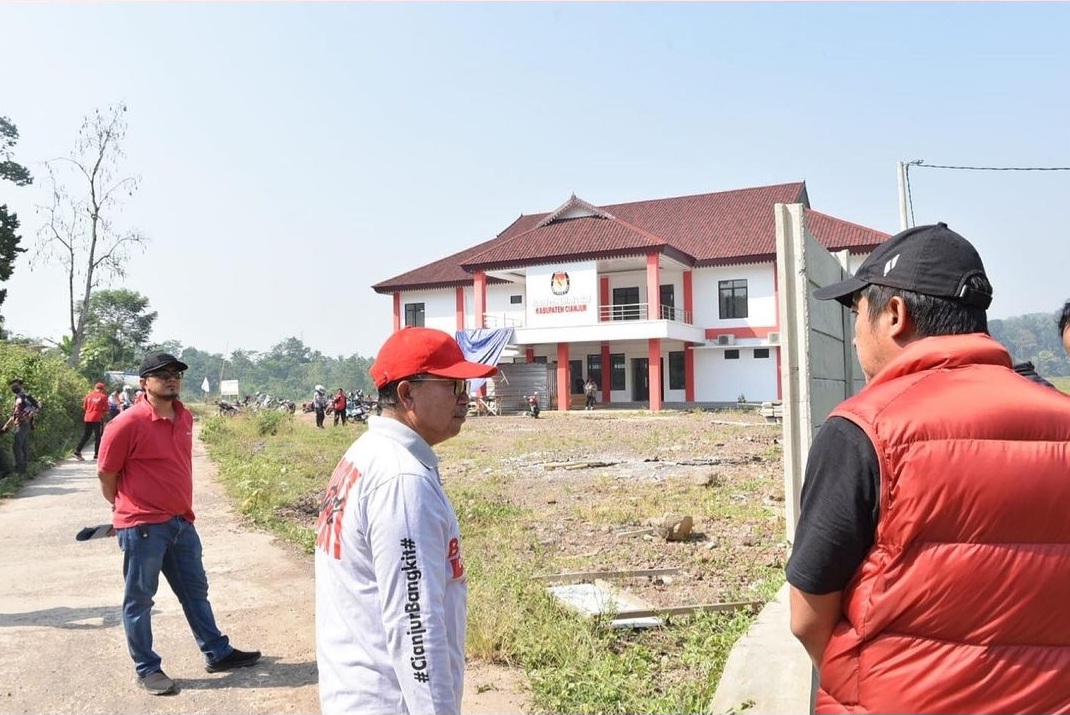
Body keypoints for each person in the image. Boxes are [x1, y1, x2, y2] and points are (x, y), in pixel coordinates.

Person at [786, 223, 1070, 712]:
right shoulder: (1061, 418)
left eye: (857, 313)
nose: (854, 336)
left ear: (894, 316)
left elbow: (808, 616)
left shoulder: (862, 428)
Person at [315, 327, 497, 715]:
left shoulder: (369, 454)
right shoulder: (401, 480)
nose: (465, 399)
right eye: (452, 386)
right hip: (389, 700)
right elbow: (414, 622)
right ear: (407, 393)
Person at [98, 352, 261, 696]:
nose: (171, 378)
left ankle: (217, 651)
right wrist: (124, 509)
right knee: (140, 600)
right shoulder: (126, 423)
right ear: (144, 382)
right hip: (143, 527)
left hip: (181, 522)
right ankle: (147, 668)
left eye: (176, 373)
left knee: (195, 591)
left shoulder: (185, 416)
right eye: (162, 374)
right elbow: (107, 474)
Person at [1, 378, 41, 474]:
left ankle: (20, 468)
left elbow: (38, 405)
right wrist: (6, 425)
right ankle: (24, 468)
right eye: (12, 387)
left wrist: (29, 415)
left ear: (20, 386)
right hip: (18, 423)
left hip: (24, 424)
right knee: (23, 446)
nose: (14, 388)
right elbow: (15, 414)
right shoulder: (18, 397)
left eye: (15, 386)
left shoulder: (24, 396)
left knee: (17, 446)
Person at [74, 382, 110, 460]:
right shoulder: (103, 397)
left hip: (87, 417)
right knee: (98, 436)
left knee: (86, 435)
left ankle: (77, 451)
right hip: (97, 418)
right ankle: (97, 454)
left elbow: (84, 407)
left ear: (95, 388)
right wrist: (101, 411)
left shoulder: (88, 396)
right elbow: (107, 409)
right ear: (102, 389)